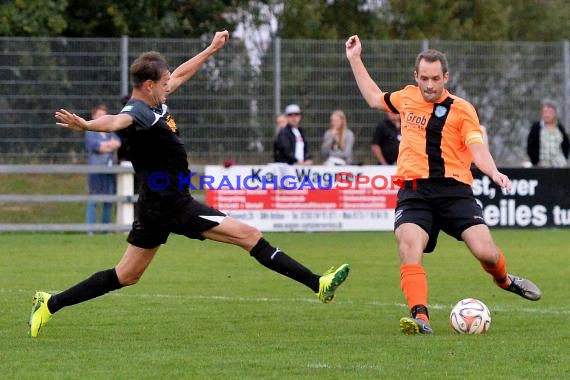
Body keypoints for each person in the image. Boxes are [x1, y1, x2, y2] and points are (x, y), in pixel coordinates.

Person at [29, 31, 350, 338]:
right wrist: (86, 125)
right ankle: (318, 284)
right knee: (250, 236)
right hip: (171, 204)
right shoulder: (137, 110)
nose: (171, 85)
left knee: (126, 275)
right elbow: (116, 120)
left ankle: (51, 302)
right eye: (165, 82)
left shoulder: (155, 102)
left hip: (155, 204)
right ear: (150, 84)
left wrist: (211, 50)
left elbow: (181, 73)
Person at [345, 35, 541, 335]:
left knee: (486, 252)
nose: (429, 85)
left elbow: (478, 149)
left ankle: (504, 280)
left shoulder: (462, 110)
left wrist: (493, 171)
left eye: (435, 78)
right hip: (414, 192)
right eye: (424, 78)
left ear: (445, 77)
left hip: (454, 192)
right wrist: (355, 59)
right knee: (409, 245)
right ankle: (420, 316)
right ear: (416, 77)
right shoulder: (406, 97)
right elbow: (374, 97)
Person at [84, 104, 122, 234]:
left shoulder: (110, 131)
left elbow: (117, 143)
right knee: (94, 200)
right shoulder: (90, 132)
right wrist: (107, 146)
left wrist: (105, 146)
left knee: (108, 201)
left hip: (110, 171)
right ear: (94, 116)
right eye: (99, 115)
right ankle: (90, 231)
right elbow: (96, 147)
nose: (102, 118)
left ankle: (105, 231)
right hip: (96, 171)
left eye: (104, 115)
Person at [526, 99, 569, 167]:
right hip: (541, 166)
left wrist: (564, 159)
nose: (547, 115)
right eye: (545, 112)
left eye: (550, 112)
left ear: (554, 113)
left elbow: (566, 145)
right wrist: (535, 162)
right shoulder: (536, 127)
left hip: (559, 166)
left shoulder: (560, 128)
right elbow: (530, 146)